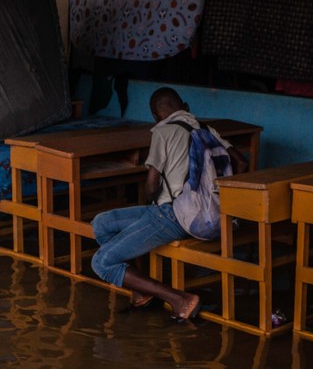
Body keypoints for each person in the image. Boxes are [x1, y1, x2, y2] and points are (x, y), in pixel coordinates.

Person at [90, 87, 249, 320]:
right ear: (185, 107)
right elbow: (241, 163)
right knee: (102, 224)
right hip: (209, 215)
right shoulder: (206, 129)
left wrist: (153, 205)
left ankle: (179, 299)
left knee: (102, 262)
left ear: (156, 116)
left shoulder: (162, 131)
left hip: (174, 215)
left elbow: (151, 186)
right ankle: (141, 290)